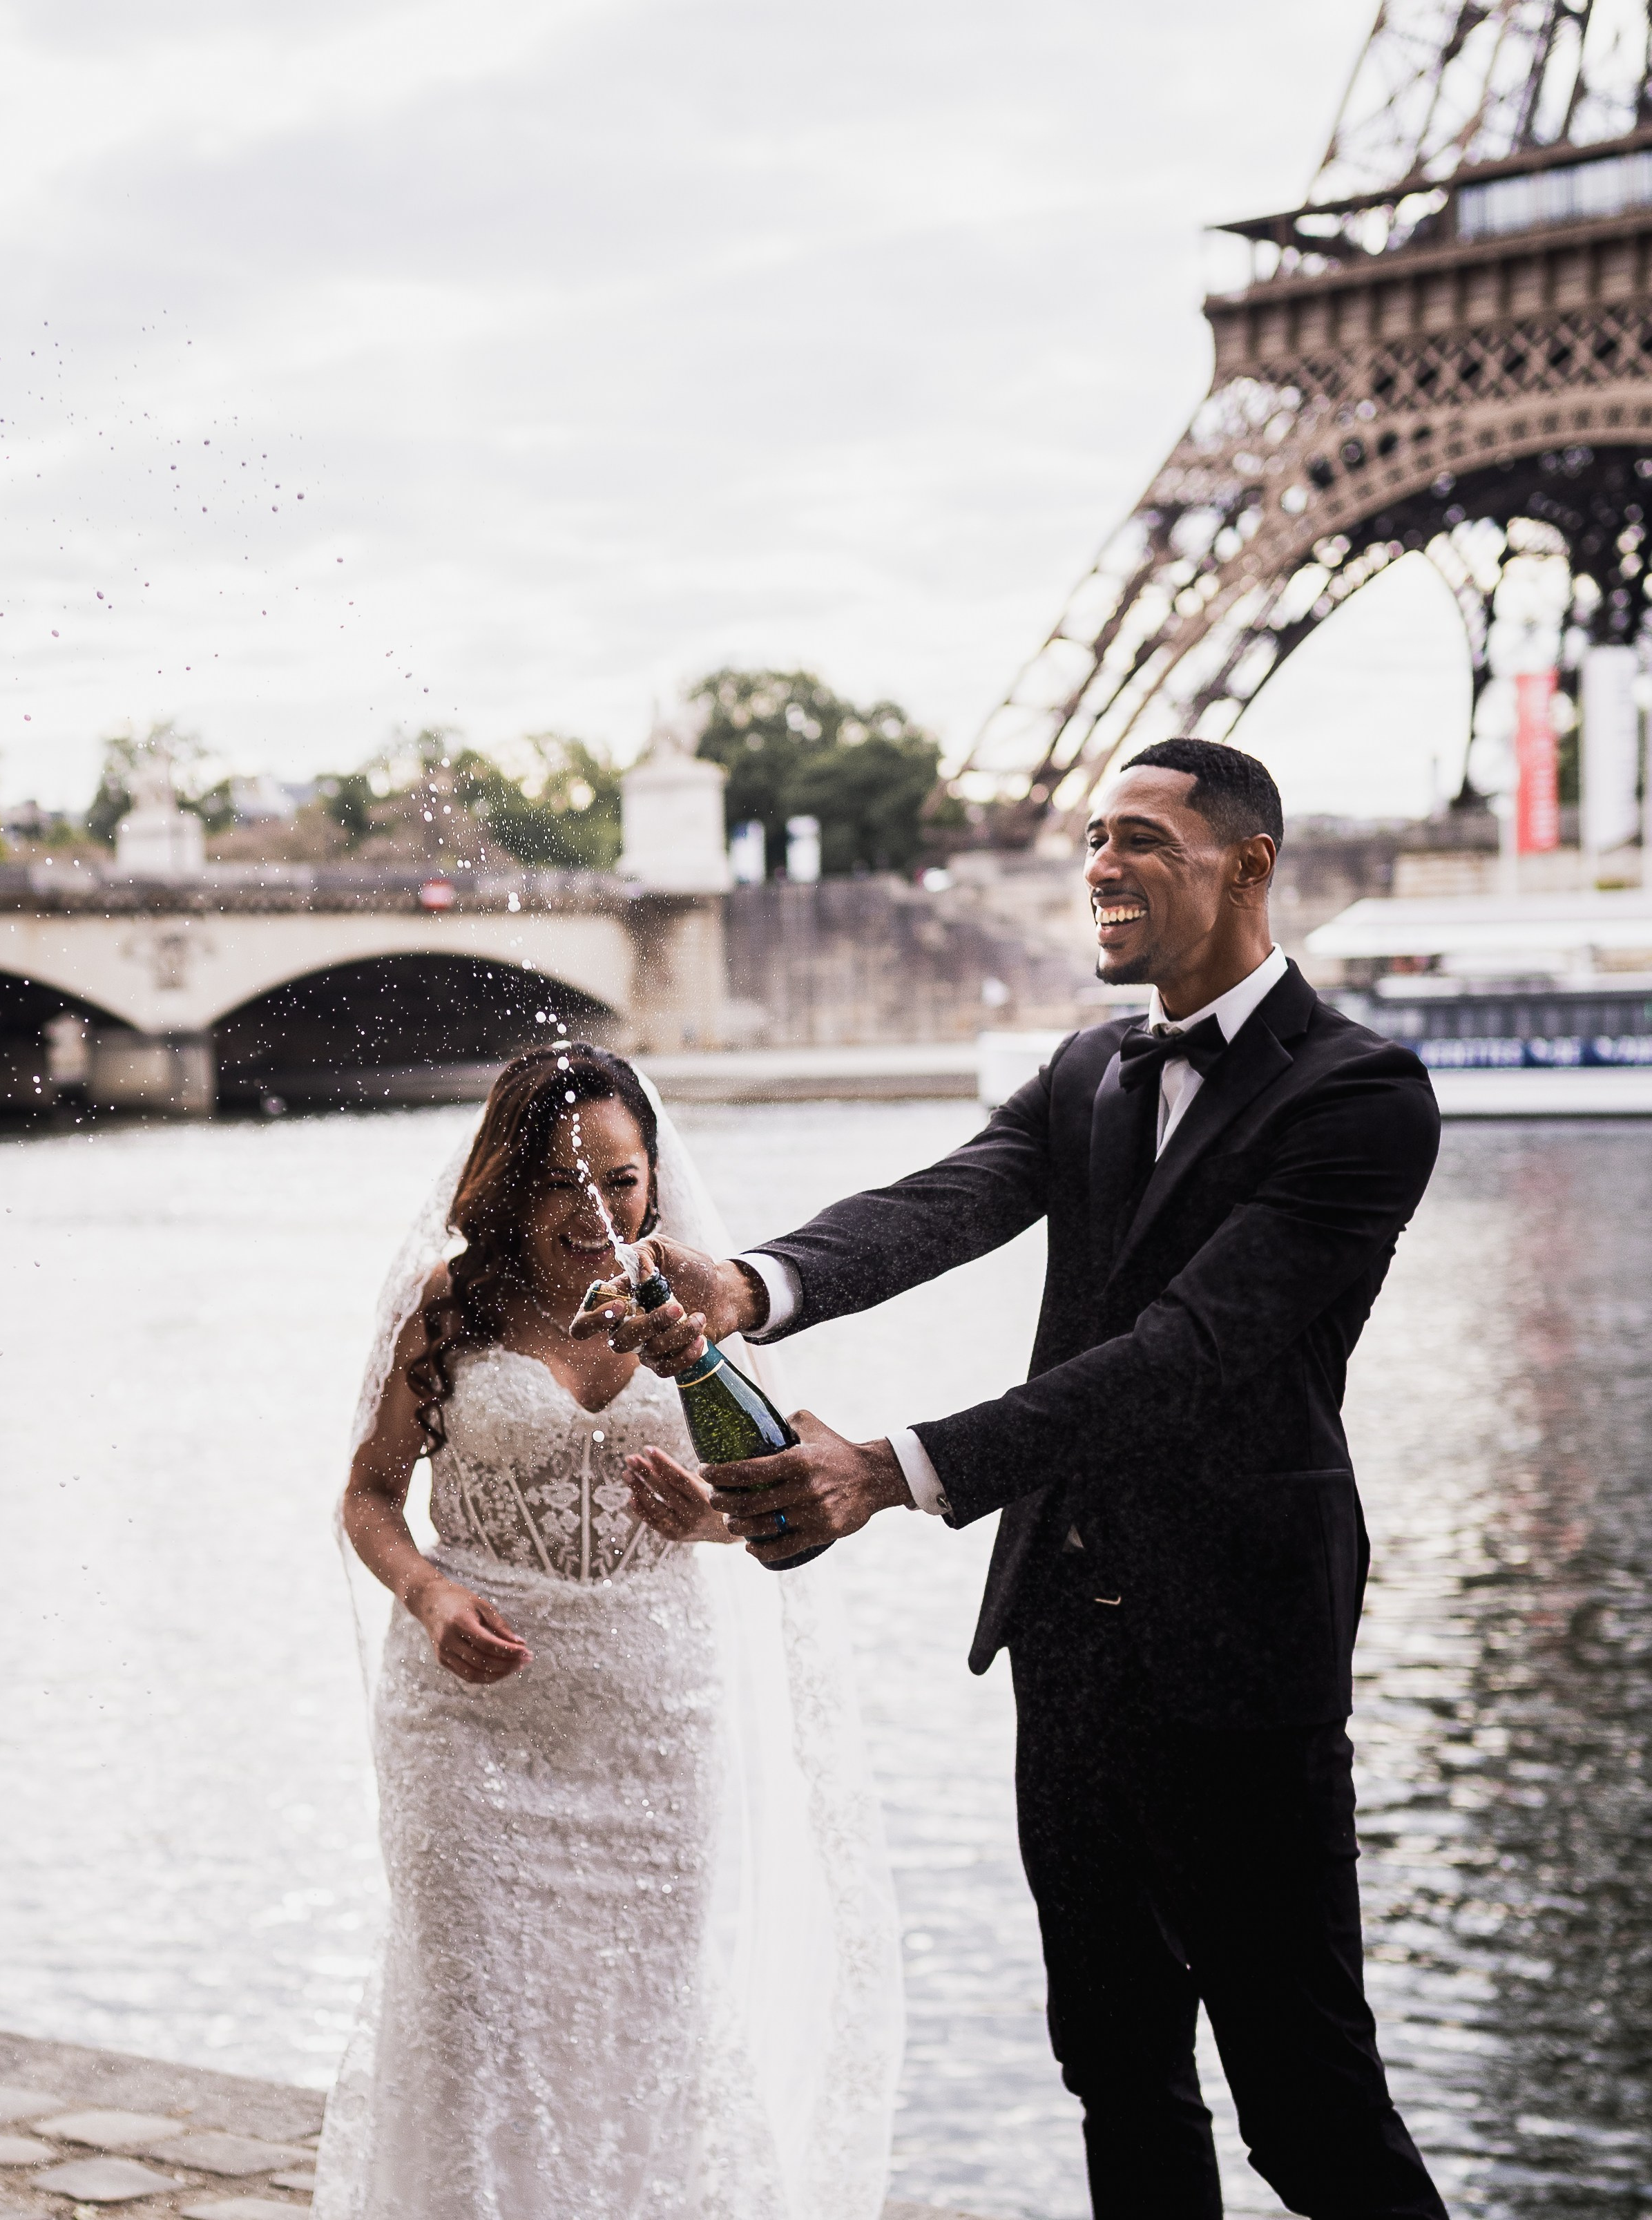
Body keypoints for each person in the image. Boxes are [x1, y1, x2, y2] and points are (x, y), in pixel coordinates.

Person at [586, 741, 1450, 2219]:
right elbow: (942, 1205)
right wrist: (748, 1282)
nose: (1101, 864)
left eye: (1143, 839)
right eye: (1094, 836)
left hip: (1242, 1652)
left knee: (1307, 2109)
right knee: (1113, 2068)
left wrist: (892, 1469)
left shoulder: (1359, 1093)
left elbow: (1184, 1355)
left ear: (1247, 863)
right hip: (1065, 1640)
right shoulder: (1087, 1068)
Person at [312, 1044, 901, 2220]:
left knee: (647, 2020)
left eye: (620, 1182)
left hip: (653, 1723)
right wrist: (428, 1595)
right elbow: (370, 1495)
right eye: (558, 1185)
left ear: (652, 1180)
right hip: (471, 1724)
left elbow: (773, 1503)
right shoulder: (449, 1304)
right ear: (508, 1184)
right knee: (476, 2021)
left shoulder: (691, 1312)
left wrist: (707, 1519)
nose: (594, 1212)